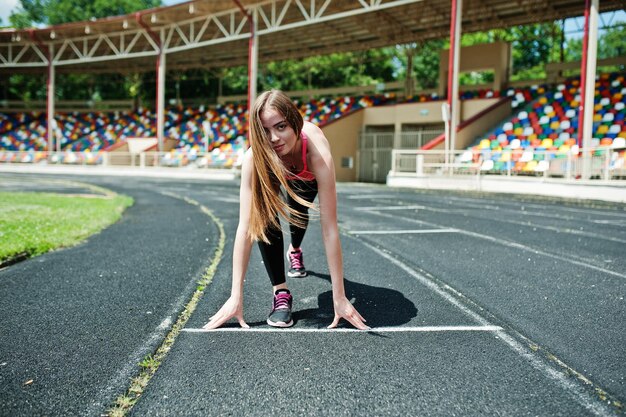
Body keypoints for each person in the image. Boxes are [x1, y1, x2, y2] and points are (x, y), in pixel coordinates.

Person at [203, 90, 369, 330]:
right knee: (263, 217)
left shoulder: (317, 153)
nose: (274, 138)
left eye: (281, 127)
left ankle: (295, 249)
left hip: (305, 175)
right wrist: (235, 296)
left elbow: (330, 228)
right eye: (265, 131)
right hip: (275, 169)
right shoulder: (255, 157)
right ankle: (280, 292)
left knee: (298, 215)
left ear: (295, 123)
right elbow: (246, 226)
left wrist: (339, 297)